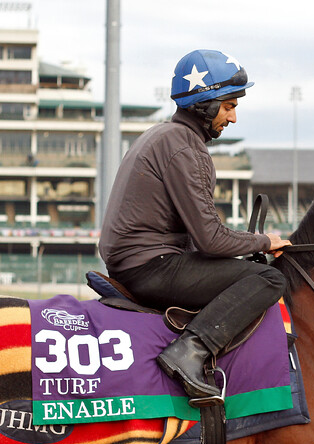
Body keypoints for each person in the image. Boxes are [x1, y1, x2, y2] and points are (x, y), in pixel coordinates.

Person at [99, 49, 290, 405]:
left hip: (142, 261)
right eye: (229, 106)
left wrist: (251, 246)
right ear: (204, 104)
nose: (232, 118)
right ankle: (189, 354)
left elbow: (204, 239)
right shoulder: (184, 147)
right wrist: (263, 242)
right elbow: (210, 240)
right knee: (268, 279)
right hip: (150, 267)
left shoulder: (164, 136)